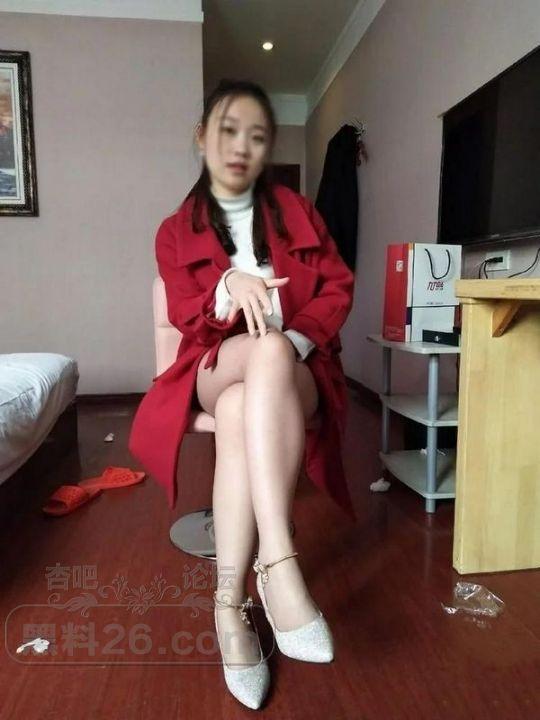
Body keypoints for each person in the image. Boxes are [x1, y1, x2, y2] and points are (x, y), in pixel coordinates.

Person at [128, 78, 356, 710]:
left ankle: (229, 606)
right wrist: (230, 284)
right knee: (255, 362)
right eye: (227, 130)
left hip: (294, 369)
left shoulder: (300, 211)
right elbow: (186, 314)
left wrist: (296, 340)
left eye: (256, 135)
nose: (240, 146)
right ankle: (278, 564)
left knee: (256, 382)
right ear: (202, 138)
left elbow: (337, 286)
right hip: (214, 361)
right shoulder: (175, 230)